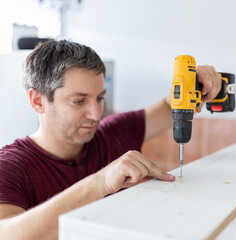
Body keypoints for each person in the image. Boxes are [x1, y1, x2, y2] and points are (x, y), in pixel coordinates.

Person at [0, 40, 221, 239]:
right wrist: (100, 183)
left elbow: (170, 106)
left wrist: (195, 84)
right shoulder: (9, 167)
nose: (96, 114)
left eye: (100, 98)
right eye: (79, 101)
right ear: (38, 101)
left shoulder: (110, 133)